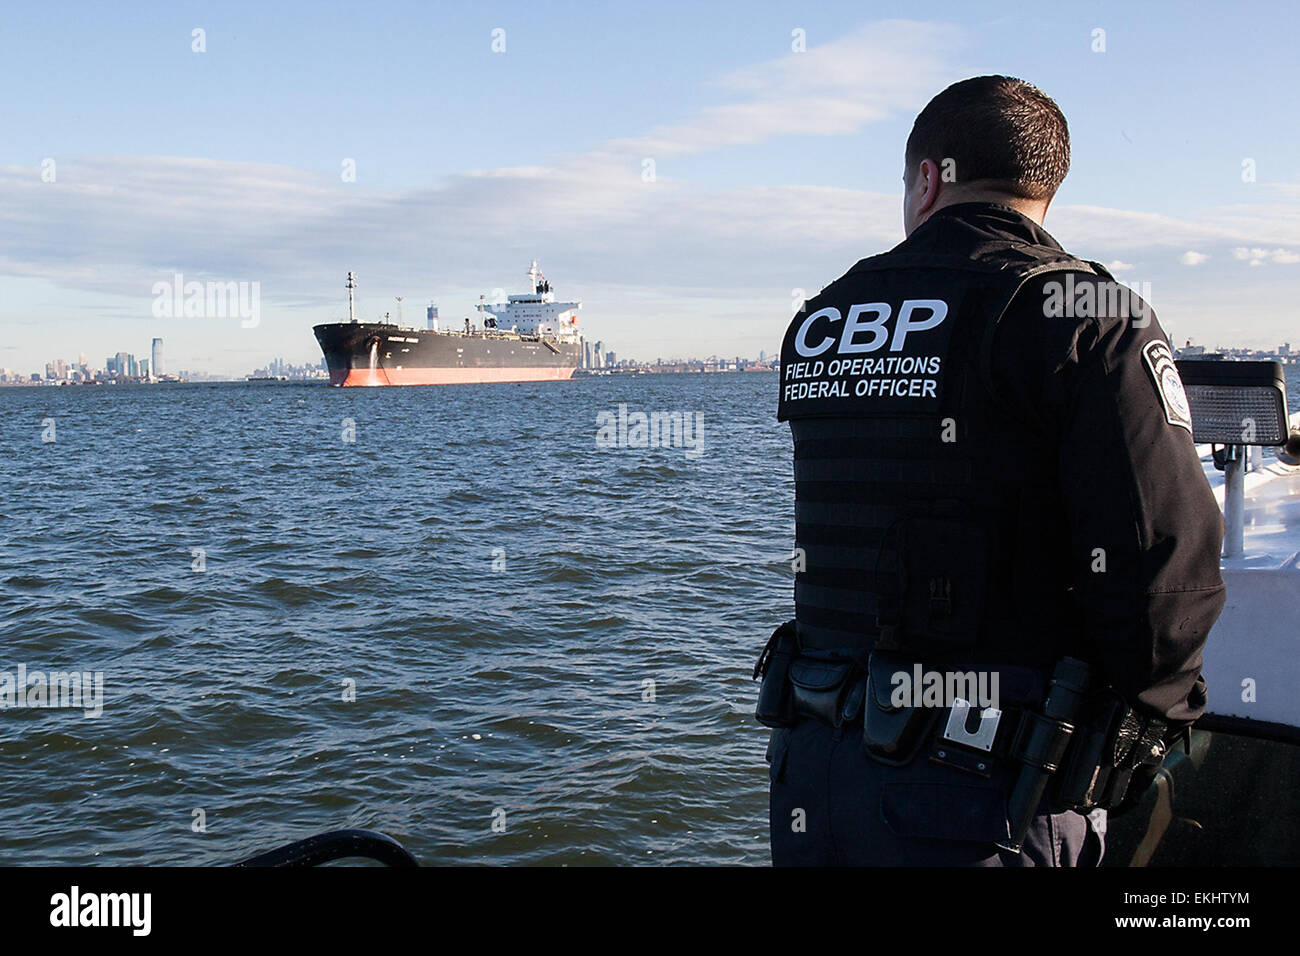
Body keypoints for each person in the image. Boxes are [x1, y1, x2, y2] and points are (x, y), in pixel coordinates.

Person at [758, 75, 1225, 866]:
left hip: (813, 780)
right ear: (1045, 186)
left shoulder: (824, 317)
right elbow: (1165, 567)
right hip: (986, 797)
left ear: (930, 177)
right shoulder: (1086, 316)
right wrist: (1152, 724)